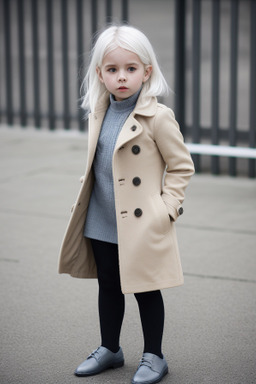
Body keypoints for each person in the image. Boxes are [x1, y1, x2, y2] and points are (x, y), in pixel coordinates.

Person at [58, 25, 194, 384]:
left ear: (146, 72)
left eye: (131, 69)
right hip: (102, 217)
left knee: (147, 288)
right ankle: (110, 349)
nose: (122, 77)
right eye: (113, 69)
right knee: (108, 285)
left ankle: (154, 356)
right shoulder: (99, 113)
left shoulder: (158, 117)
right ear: (100, 74)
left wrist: (167, 208)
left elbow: (181, 166)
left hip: (140, 222)